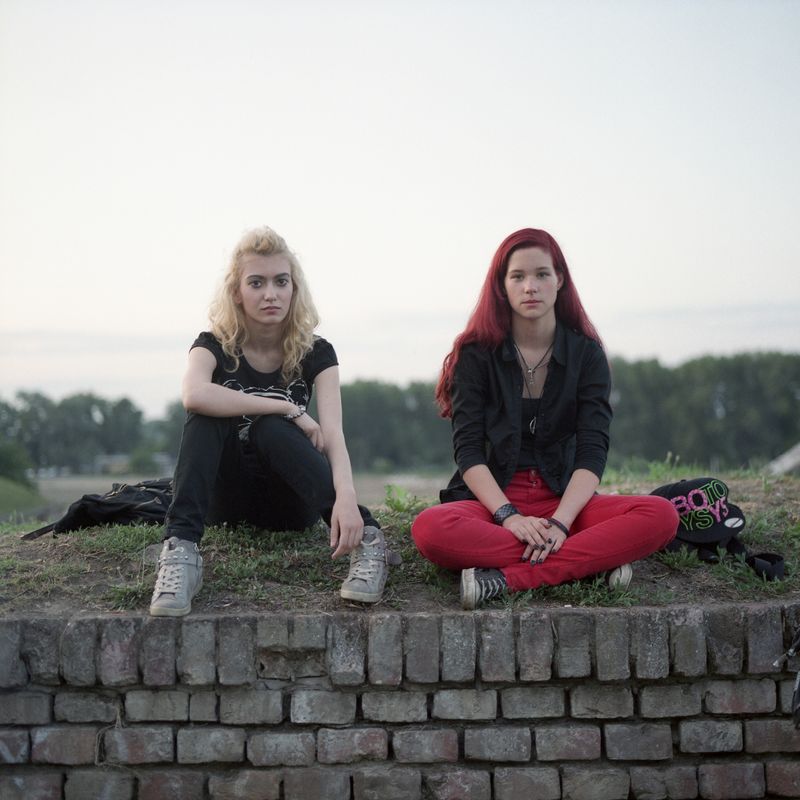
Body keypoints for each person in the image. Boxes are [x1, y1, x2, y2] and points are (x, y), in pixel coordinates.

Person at [411, 228, 678, 609]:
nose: (530, 286)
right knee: (430, 529)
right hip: (493, 503)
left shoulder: (587, 354)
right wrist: (508, 516)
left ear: (560, 280)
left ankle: (508, 579)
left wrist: (561, 523)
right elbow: (468, 452)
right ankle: (590, 564)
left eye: (541, 274)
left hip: (567, 500)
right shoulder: (476, 354)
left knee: (661, 515)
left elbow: (592, 452)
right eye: (517, 276)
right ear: (502, 287)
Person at [149, 226, 399, 617]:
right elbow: (194, 394)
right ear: (237, 293)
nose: (271, 294)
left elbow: (333, 433)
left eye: (281, 282)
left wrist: (348, 498)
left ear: (293, 289)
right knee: (208, 414)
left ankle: (368, 540)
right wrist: (283, 406)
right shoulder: (213, 344)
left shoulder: (317, 352)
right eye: (257, 282)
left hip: (290, 502)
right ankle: (181, 552)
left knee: (270, 430)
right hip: (227, 501)